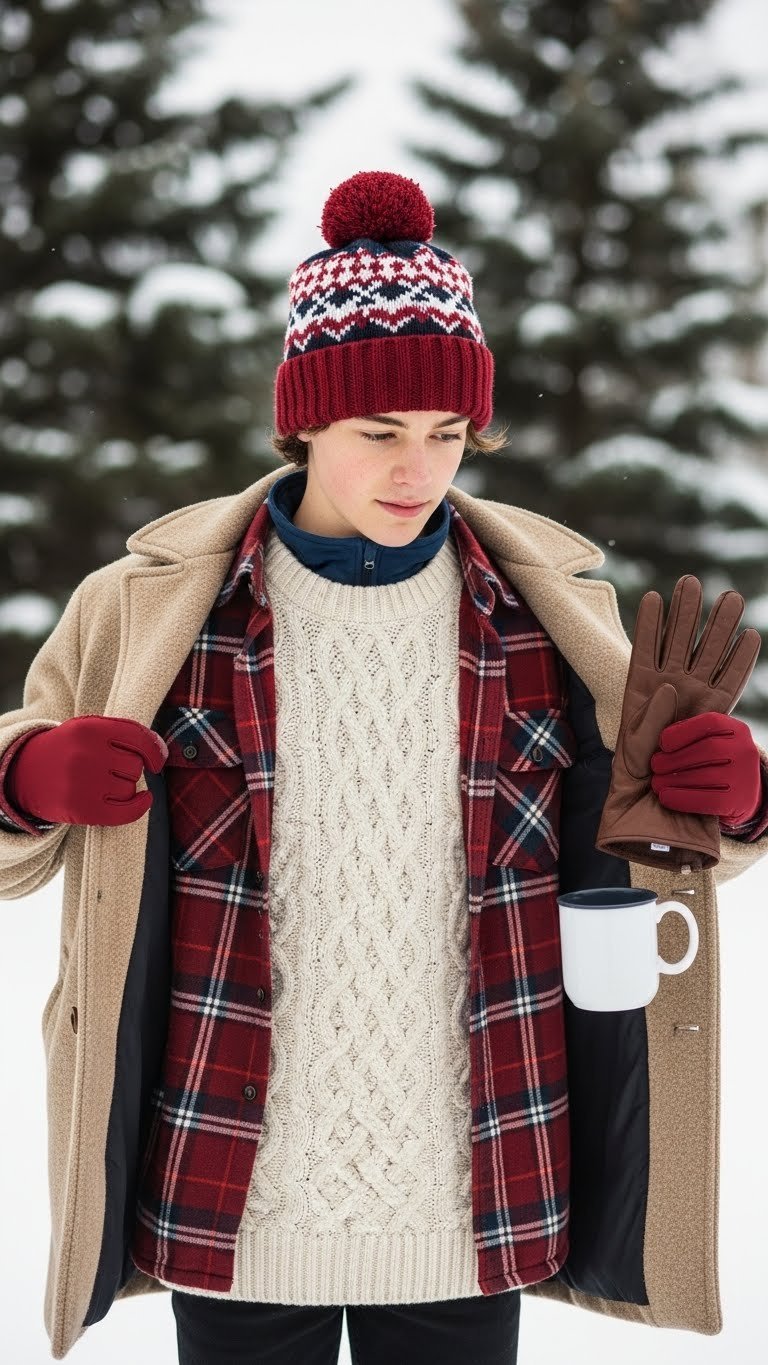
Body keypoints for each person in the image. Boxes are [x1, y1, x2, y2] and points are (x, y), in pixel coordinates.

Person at [0, 170, 766, 1365]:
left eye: (447, 436)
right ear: (302, 422)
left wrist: (740, 797)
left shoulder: (542, 616)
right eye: (380, 434)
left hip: (478, 1187)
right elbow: (14, 832)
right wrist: (29, 778)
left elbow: (651, 852)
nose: (419, 470)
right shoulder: (156, 610)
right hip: (229, 1188)